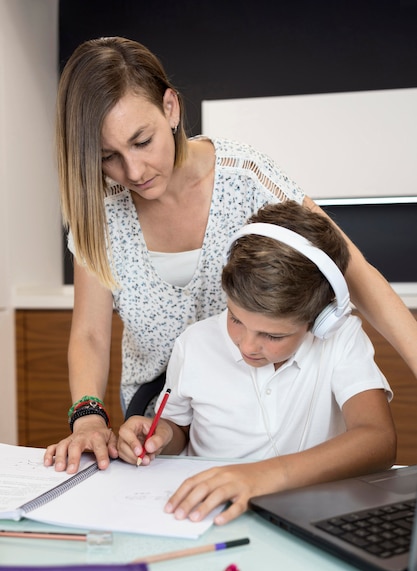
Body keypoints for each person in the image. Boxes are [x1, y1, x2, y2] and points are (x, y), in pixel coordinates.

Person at [44, 36, 415, 475]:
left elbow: (351, 271)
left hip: (250, 388)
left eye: (142, 142)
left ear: (170, 109)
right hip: (158, 411)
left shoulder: (247, 177)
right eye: (109, 157)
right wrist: (88, 416)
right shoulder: (101, 208)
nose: (134, 172)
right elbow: (89, 333)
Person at [117, 201, 396, 525]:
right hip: (209, 513)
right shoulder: (195, 344)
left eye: (273, 336)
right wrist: (161, 434)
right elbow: (180, 428)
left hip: (308, 515)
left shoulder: (340, 339)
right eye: (235, 319)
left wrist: (263, 476)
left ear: (319, 321)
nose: (247, 345)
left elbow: (379, 440)